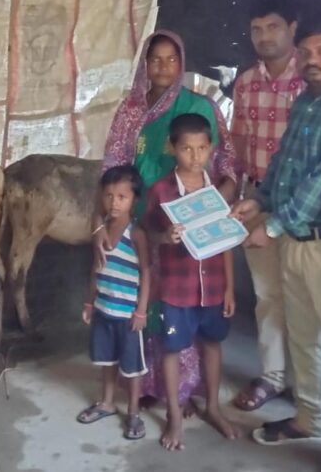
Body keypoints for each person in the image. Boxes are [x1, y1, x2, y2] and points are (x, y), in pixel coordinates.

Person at [234, 17, 321, 472]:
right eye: (307, 52)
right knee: (304, 339)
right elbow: (284, 162)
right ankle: (310, 419)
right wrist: (259, 201)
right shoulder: (306, 101)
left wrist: (272, 225)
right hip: (297, 238)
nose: (312, 60)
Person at [99, 30, 238, 413]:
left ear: (182, 63)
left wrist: (217, 201)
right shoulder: (130, 110)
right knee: (145, 299)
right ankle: (146, 383)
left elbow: (226, 159)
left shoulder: (199, 106)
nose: (163, 67)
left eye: (171, 59)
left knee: (183, 303)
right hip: (141, 220)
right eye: (155, 59)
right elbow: (113, 165)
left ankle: (183, 390)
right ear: (144, 64)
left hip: (191, 219)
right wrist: (109, 220)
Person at [143, 113, 238, 449]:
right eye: (186, 149)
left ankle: (213, 408)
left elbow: (225, 240)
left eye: (202, 148)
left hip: (213, 287)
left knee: (212, 343)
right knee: (172, 348)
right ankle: (173, 414)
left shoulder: (217, 192)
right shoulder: (161, 191)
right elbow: (148, 231)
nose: (195, 156)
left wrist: (230, 287)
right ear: (172, 148)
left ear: (211, 148)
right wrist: (164, 237)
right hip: (176, 289)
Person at [230, 0, 305, 412]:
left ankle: (312, 387)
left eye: (273, 26)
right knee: (268, 296)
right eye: (256, 29)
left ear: (293, 27)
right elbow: (239, 143)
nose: (264, 36)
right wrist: (239, 195)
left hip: (304, 207)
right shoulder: (245, 83)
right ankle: (273, 377)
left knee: (307, 299)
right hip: (257, 200)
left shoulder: (311, 78)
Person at [76, 165, 151, 441]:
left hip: (128, 315)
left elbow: (146, 272)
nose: (114, 203)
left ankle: (133, 412)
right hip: (103, 309)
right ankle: (107, 403)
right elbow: (95, 269)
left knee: (131, 367)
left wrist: (141, 311)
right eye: (109, 196)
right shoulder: (101, 230)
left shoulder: (136, 234)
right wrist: (89, 302)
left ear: (134, 200)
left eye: (122, 197)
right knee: (107, 360)